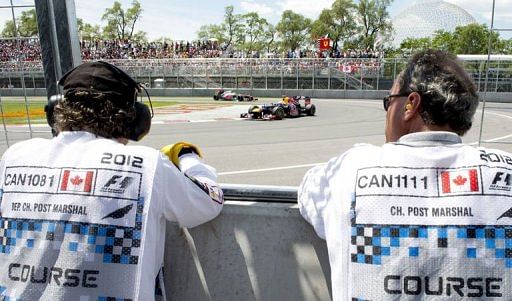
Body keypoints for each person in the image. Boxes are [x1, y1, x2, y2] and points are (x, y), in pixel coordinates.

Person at [298, 49, 512, 300]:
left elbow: (307, 193)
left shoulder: (352, 167)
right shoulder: (505, 167)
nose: (387, 111)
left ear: (410, 105)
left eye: (388, 102)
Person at [0, 61, 223, 300]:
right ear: (133, 119)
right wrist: (187, 157)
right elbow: (207, 202)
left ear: (57, 110)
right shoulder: (146, 163)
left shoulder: (17, 155)